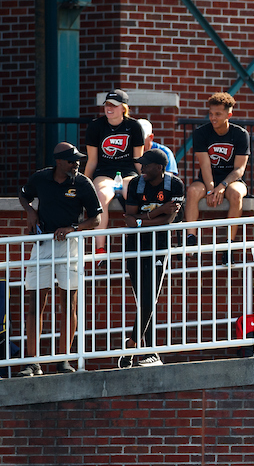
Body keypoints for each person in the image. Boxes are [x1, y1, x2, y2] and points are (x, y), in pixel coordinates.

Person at [16, 142, 103, 376]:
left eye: (78, 160)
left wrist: (73, 228)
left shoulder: (82, 182)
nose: (77, 164)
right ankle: (32, 362)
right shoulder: (41, 178)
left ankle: (64, 359)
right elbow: (23, 194)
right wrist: (31, 210)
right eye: (72, 160)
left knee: (68, 303)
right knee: (36, 303)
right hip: (43, 244)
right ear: (59, 161)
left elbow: (95, 218)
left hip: (70, 246)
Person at [120, 148, 185, 367]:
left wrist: (141, 220)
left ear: (159, 168)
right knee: (144, 300)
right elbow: (129, 219)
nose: (142, 169)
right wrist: (155, 213)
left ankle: (134, 345)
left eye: (146, 165)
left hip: (159, 245)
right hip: (135, 244)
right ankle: (148, 351)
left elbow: (168, 222)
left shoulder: (175, 185)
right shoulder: (137, 183)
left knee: (149, 298)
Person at [184, 92, 250, 261]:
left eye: (218, 114)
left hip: (231, 179)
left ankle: (229, 245)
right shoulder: (201, 133)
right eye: (211, 113)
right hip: (208, 179)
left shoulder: (241, 134)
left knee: (236, 194)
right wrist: (211, 189)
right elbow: (205, 165)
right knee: (192, 191)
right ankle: (191, 239)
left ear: (229, 115)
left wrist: (222, 186)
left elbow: (239, 169)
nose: (213, 118)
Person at [83, 88, 144, 255]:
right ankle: (100, 248)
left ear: (123, 107)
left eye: (114, 105)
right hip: (104, 172)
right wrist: (84, 182)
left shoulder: (134, 126)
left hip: (128, 172)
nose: (109, 108)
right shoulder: (96, 126)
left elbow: (138, 159)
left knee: (134, 193)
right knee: (101, 195)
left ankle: (139, 242)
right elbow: (92, 160)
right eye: (107, 104)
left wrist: (145, 178)